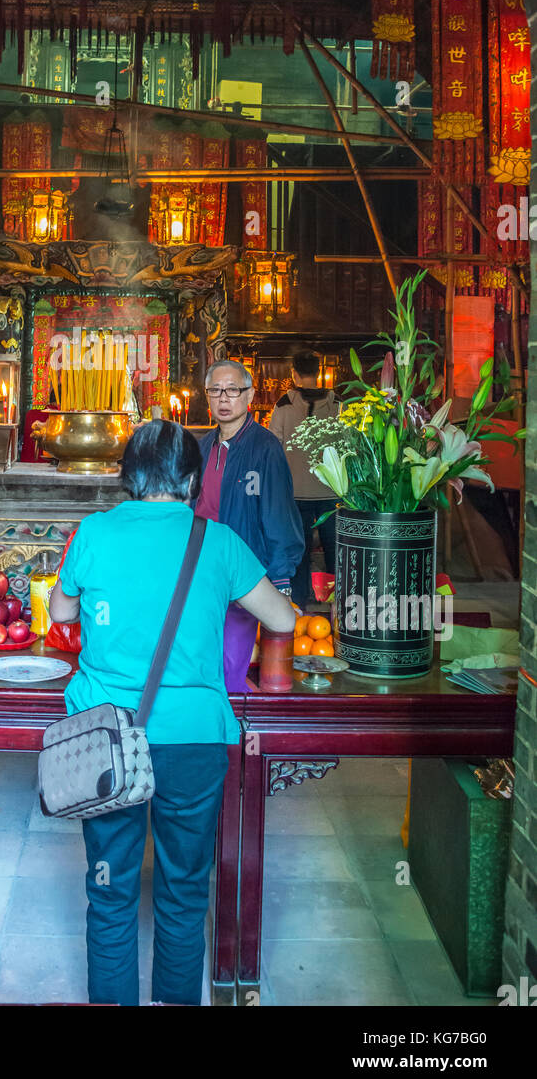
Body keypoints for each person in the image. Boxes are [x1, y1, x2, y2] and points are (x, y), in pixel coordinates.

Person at [48, 419, 296, 1007]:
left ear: (127, 475)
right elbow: (283, 619)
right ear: (190, 480)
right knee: (184, 891)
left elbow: (61, 610)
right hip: (194, 741)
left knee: (109, 891)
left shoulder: (94, 532)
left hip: (106, 738)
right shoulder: (218, 540)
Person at [195, 359, 304, 693]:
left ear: (249, 395)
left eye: (232, 390)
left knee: (230, 661)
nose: (224, 399)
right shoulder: (201, 447)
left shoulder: (265, 448)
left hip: (244, 570)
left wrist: (280, 579)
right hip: (201, 570)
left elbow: (279, 516)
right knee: (200, 656)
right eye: (216, 391)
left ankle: (225, 733)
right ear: (208, 396)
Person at [268, 350, 339, 609]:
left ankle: (298, 606)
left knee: (299, 554)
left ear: (294, 374)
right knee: (335, 554)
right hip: (332, 493)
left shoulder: (283, 406)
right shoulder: (337, 404)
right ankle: (337, 606)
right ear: (318, 373)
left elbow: (273, 447)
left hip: (295, 495)